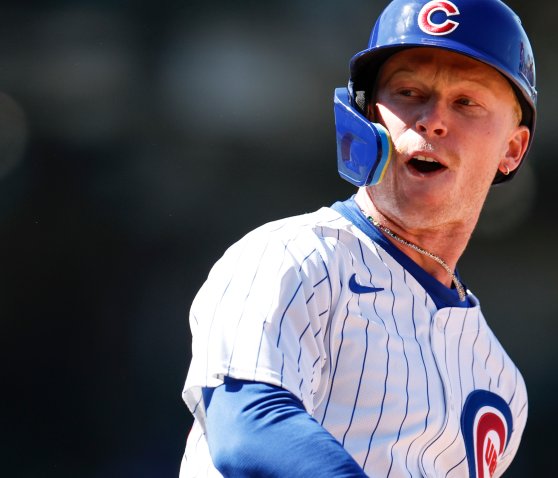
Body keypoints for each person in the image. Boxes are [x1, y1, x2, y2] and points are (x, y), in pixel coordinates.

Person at [179, 0, 537, 476]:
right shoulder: (293, 255)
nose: (432, 119)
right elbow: (249, 428)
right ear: (367, 113)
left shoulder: (498, 380)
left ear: (511, 149)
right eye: (409, 92)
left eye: (466, 102)